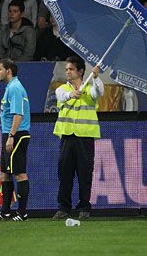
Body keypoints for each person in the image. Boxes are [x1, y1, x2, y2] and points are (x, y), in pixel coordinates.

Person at [52, 56, 104, 220]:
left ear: (80, 71)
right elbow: (61, 96)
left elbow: (98, 92)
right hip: (67, 136)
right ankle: (64, 208)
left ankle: (84, 208)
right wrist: (71, 94)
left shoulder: (89, 88)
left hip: (85, 137)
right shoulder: (61, 89)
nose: (67, 72)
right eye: (67, 69)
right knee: (65, 174)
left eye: (71, 69)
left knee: (85, 174)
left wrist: (96, 77)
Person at [0, 59, 31, 221]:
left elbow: (18, 114)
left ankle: (22, 213)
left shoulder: (15, 88)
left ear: (8, 71)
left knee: (19, 173)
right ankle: (5, 212)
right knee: (5, 173)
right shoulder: (9, 88)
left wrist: (11, 136)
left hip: (17, 135)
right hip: (10, 134)